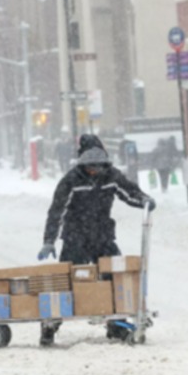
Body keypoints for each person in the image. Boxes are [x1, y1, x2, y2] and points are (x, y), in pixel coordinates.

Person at [36, 144, 155, 346]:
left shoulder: (111, 176)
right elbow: (57, 211)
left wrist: (143, 199)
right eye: (90, 167)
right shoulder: (71, 181)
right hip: (76, 237)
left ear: (104, 165)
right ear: (83, 165)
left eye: (98, 167)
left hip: (102, 236)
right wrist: (49, 240)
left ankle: (116, 325)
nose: (94, 171)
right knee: (66, 282)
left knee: (116, 278)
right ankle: (50, 325)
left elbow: (129, 192)